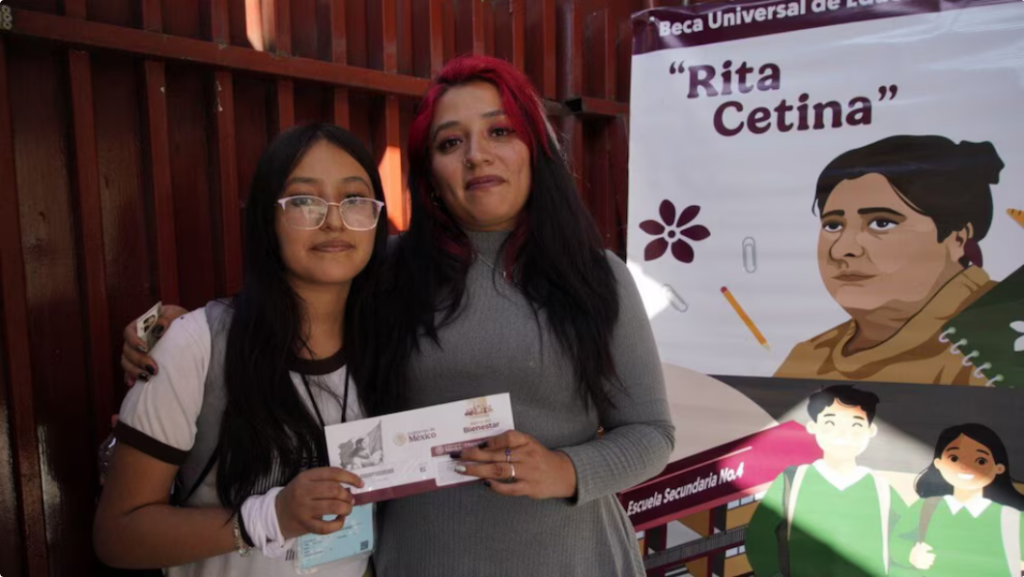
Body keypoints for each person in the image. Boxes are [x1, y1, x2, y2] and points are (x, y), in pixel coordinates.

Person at [120, 55, 674, 576]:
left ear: (535, 146)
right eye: (450, 142)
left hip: (572, 558)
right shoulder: (384, 268)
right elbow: (292, 307)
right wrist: (179, 331)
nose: (476, 155)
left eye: (500, 131)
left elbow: (651, 432)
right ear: (428, 171)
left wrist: (565, 469)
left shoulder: (595, 276)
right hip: (420, 559)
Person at [95, 124, 388, 577]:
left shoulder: (390, 346)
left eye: (354, 199)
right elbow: (118, 534)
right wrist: (265, 519)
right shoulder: (196, 344)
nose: (334, 220)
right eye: (304, 201)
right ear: (267, 221)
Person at [775, 135, 1006, 386]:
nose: (842, 249)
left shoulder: (1003, 337)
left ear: (957, 238)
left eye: (881, 223)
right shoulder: (810, 357)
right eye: (833, 225)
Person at [746, 385, 907, 577]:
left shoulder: (882, 490)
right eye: (831, 423)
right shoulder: (793, 480)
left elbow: (909, 543)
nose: (843, 434)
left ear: (870, 430)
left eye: (856, 425)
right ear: (813, 427)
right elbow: (759, 535)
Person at [890, 424, 1024, 577]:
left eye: (980, 461)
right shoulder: (927, 506)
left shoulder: (1010, 517)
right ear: (938, 463)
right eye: (954, 458)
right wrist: (911, 554)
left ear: (998, 468)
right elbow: (897, 541)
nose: (965, 467)